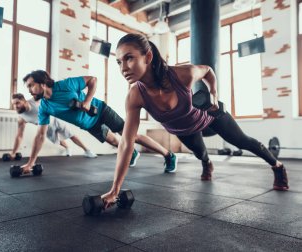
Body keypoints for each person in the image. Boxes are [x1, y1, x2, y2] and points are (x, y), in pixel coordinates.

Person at [101, 33, 289, 208]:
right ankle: (207, 164)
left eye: (129, 58)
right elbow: (127, 142)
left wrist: (214, 94)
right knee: (200, 154)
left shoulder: (182, 74)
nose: (123, 68)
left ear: (148, 57)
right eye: (118, 62)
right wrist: (114, 189)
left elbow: (208, 71)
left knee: (242, 141)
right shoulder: (135, 96)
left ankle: (278, 167)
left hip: (209, 117)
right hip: (185, 130)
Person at [20, 70, 178, 174]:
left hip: (101, 110)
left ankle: (168, 155)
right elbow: (40, 136)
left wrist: (87, 101)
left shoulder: (65, 85)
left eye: (31, 86)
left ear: (42, 83)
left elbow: (92, 80)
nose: (29, 90)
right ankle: (133, 153)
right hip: (90, 125)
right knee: (116, 142)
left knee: (131, 136)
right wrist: (30, 163)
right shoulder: (44, 108)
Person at [10, 93, 97, 159]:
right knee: (57, 141)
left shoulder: (35, 100)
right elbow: (19, 136)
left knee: (71, 135)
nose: (15, 106)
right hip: (44, 129)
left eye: (17, 103)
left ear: (24, 101)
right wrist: (13, 152)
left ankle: (87, 151)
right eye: (13, 104)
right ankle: (67, 147)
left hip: (55, 119)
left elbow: (49, 95)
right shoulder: (21, 118)